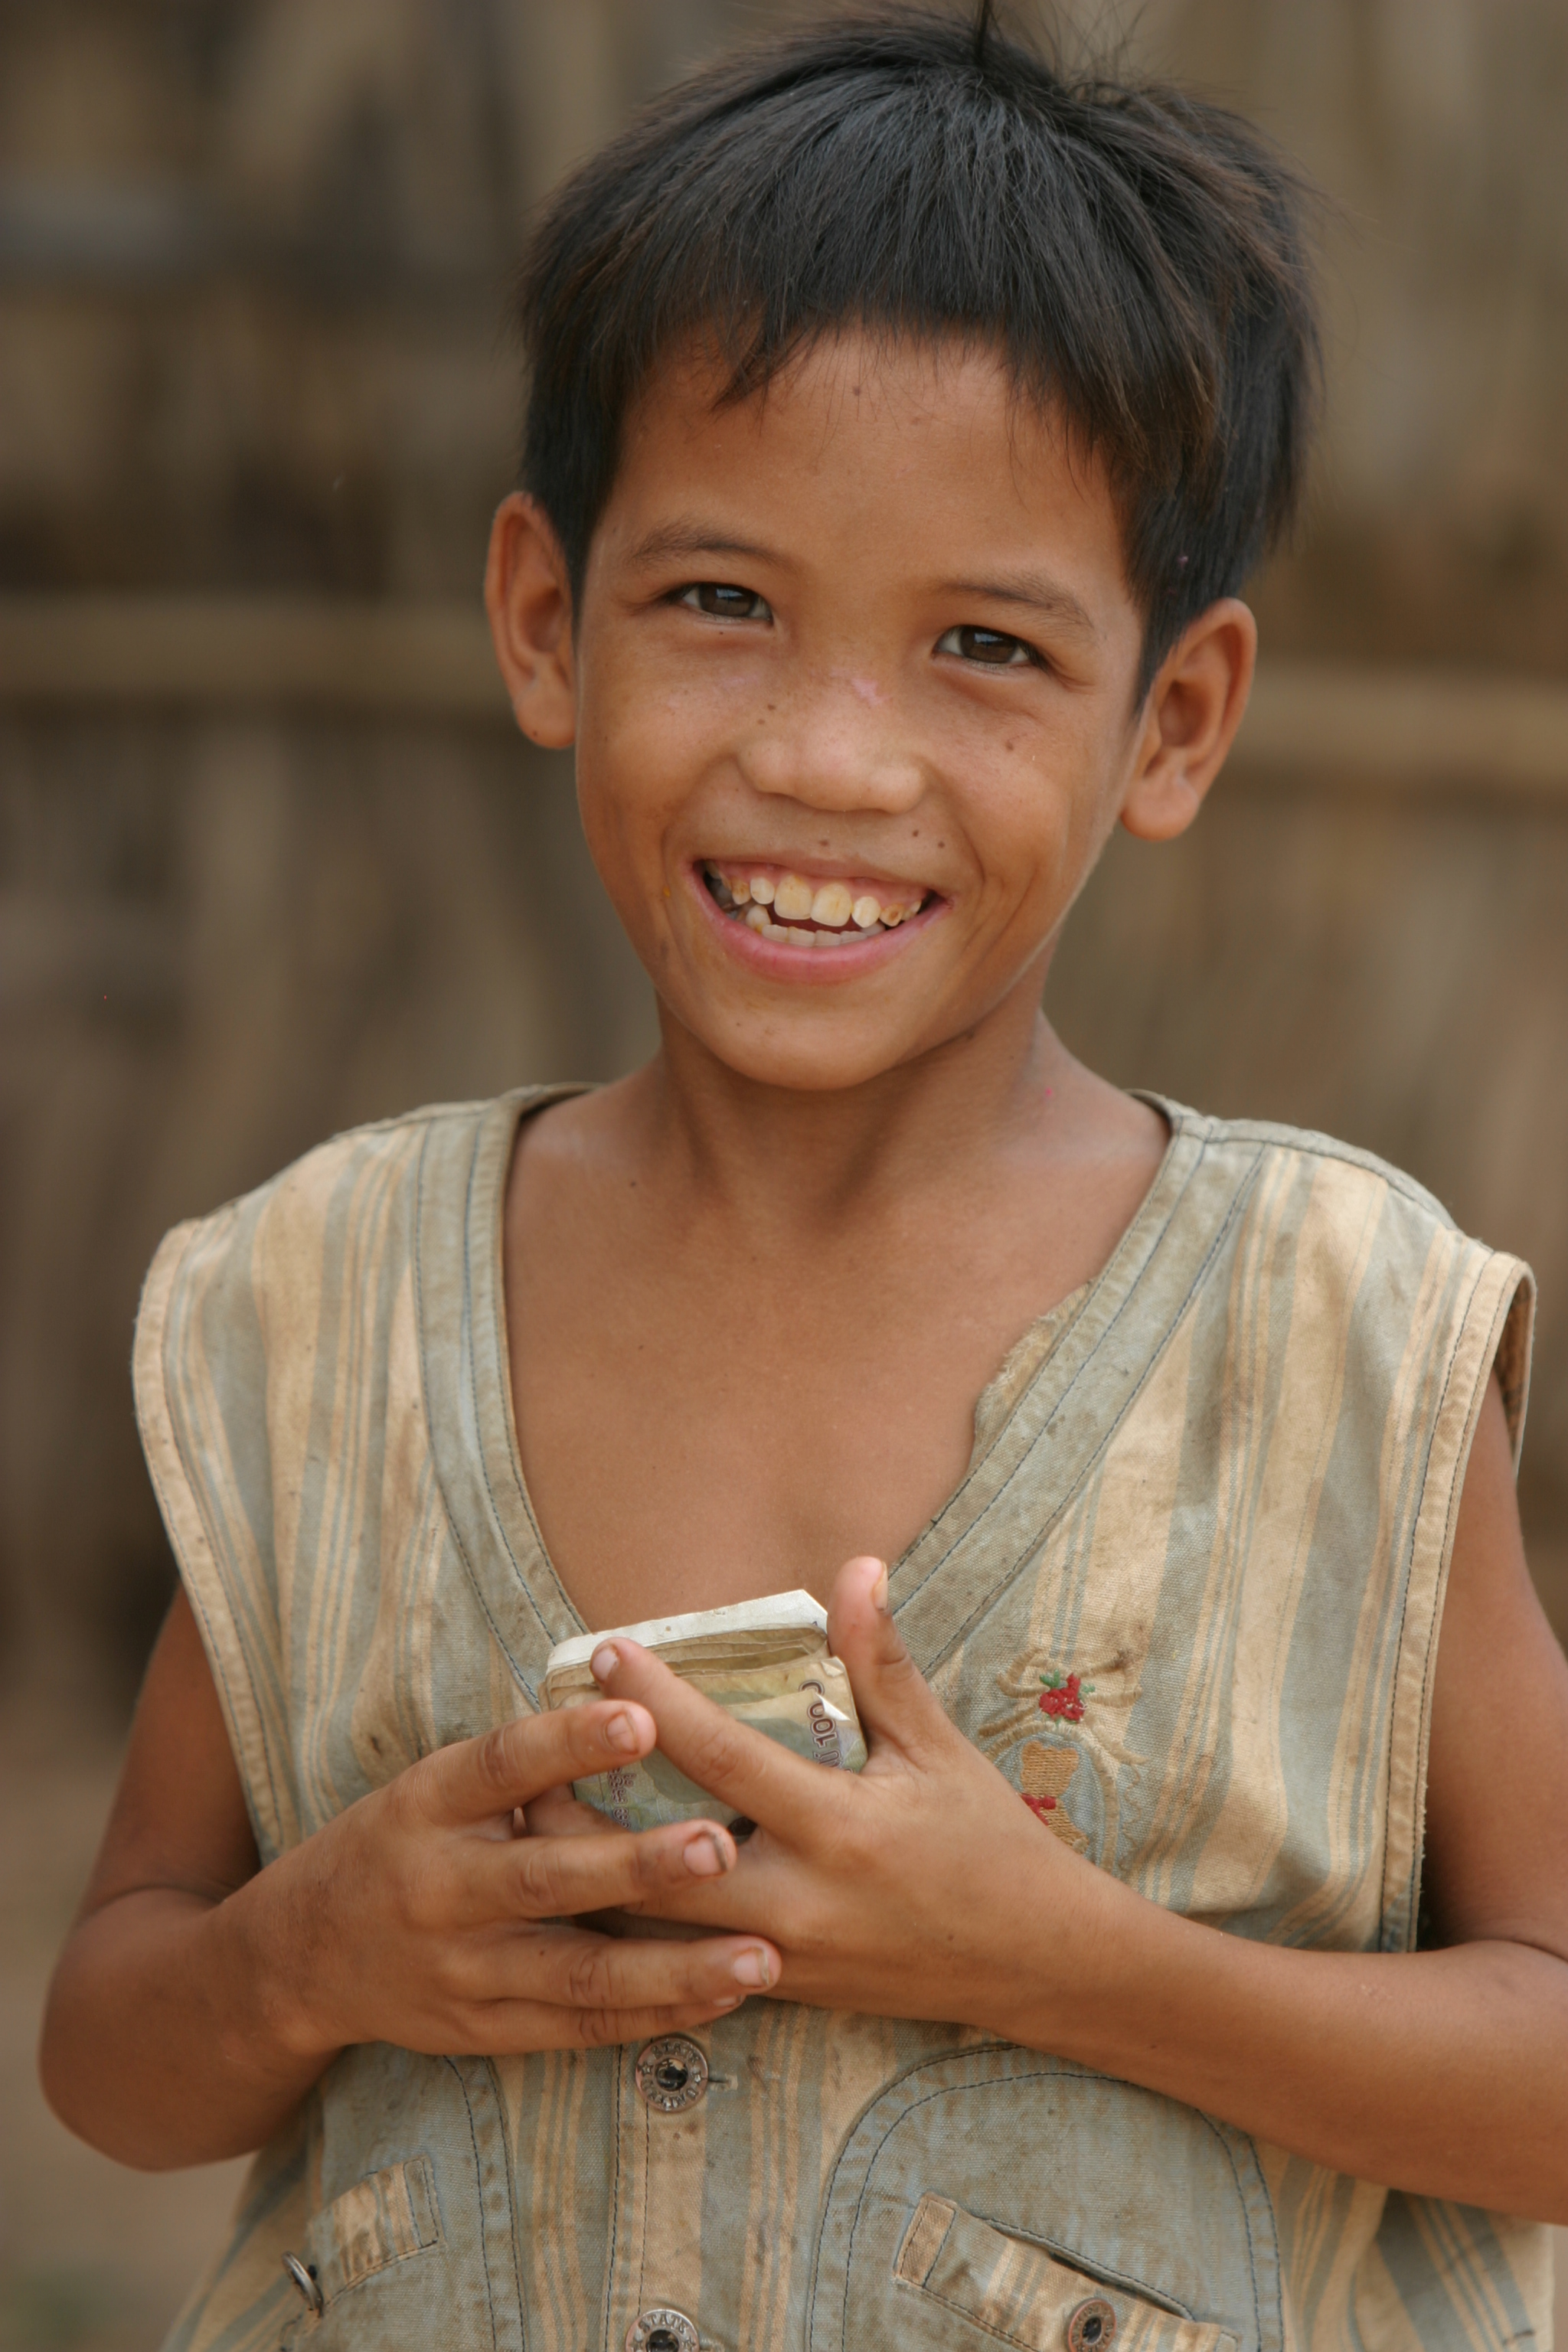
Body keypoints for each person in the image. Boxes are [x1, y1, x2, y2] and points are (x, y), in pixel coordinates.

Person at [41, 8, 1568, 2350]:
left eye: (982, 648)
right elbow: (113, 2055)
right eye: (722, 604)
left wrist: (1060, 1963)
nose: (829, 758)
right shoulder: (327, 1312)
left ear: (1173, 723)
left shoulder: (1333, 1336)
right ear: (547, 620)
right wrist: (313, 1955)